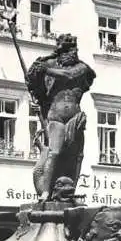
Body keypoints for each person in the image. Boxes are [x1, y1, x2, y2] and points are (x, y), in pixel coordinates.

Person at [27, 33, 96, 202]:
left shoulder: (82, 68)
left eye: (72, 49)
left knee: (78, 155)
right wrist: (37, 73)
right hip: (56, 115)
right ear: (59, 51)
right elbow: (34, 79)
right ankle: (45, 191)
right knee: (54, 152)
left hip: (75, 117)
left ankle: (71, 189)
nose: (69, 52)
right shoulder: (50, 64)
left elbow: (69, 76)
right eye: (65, 50)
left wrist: (45, 69)